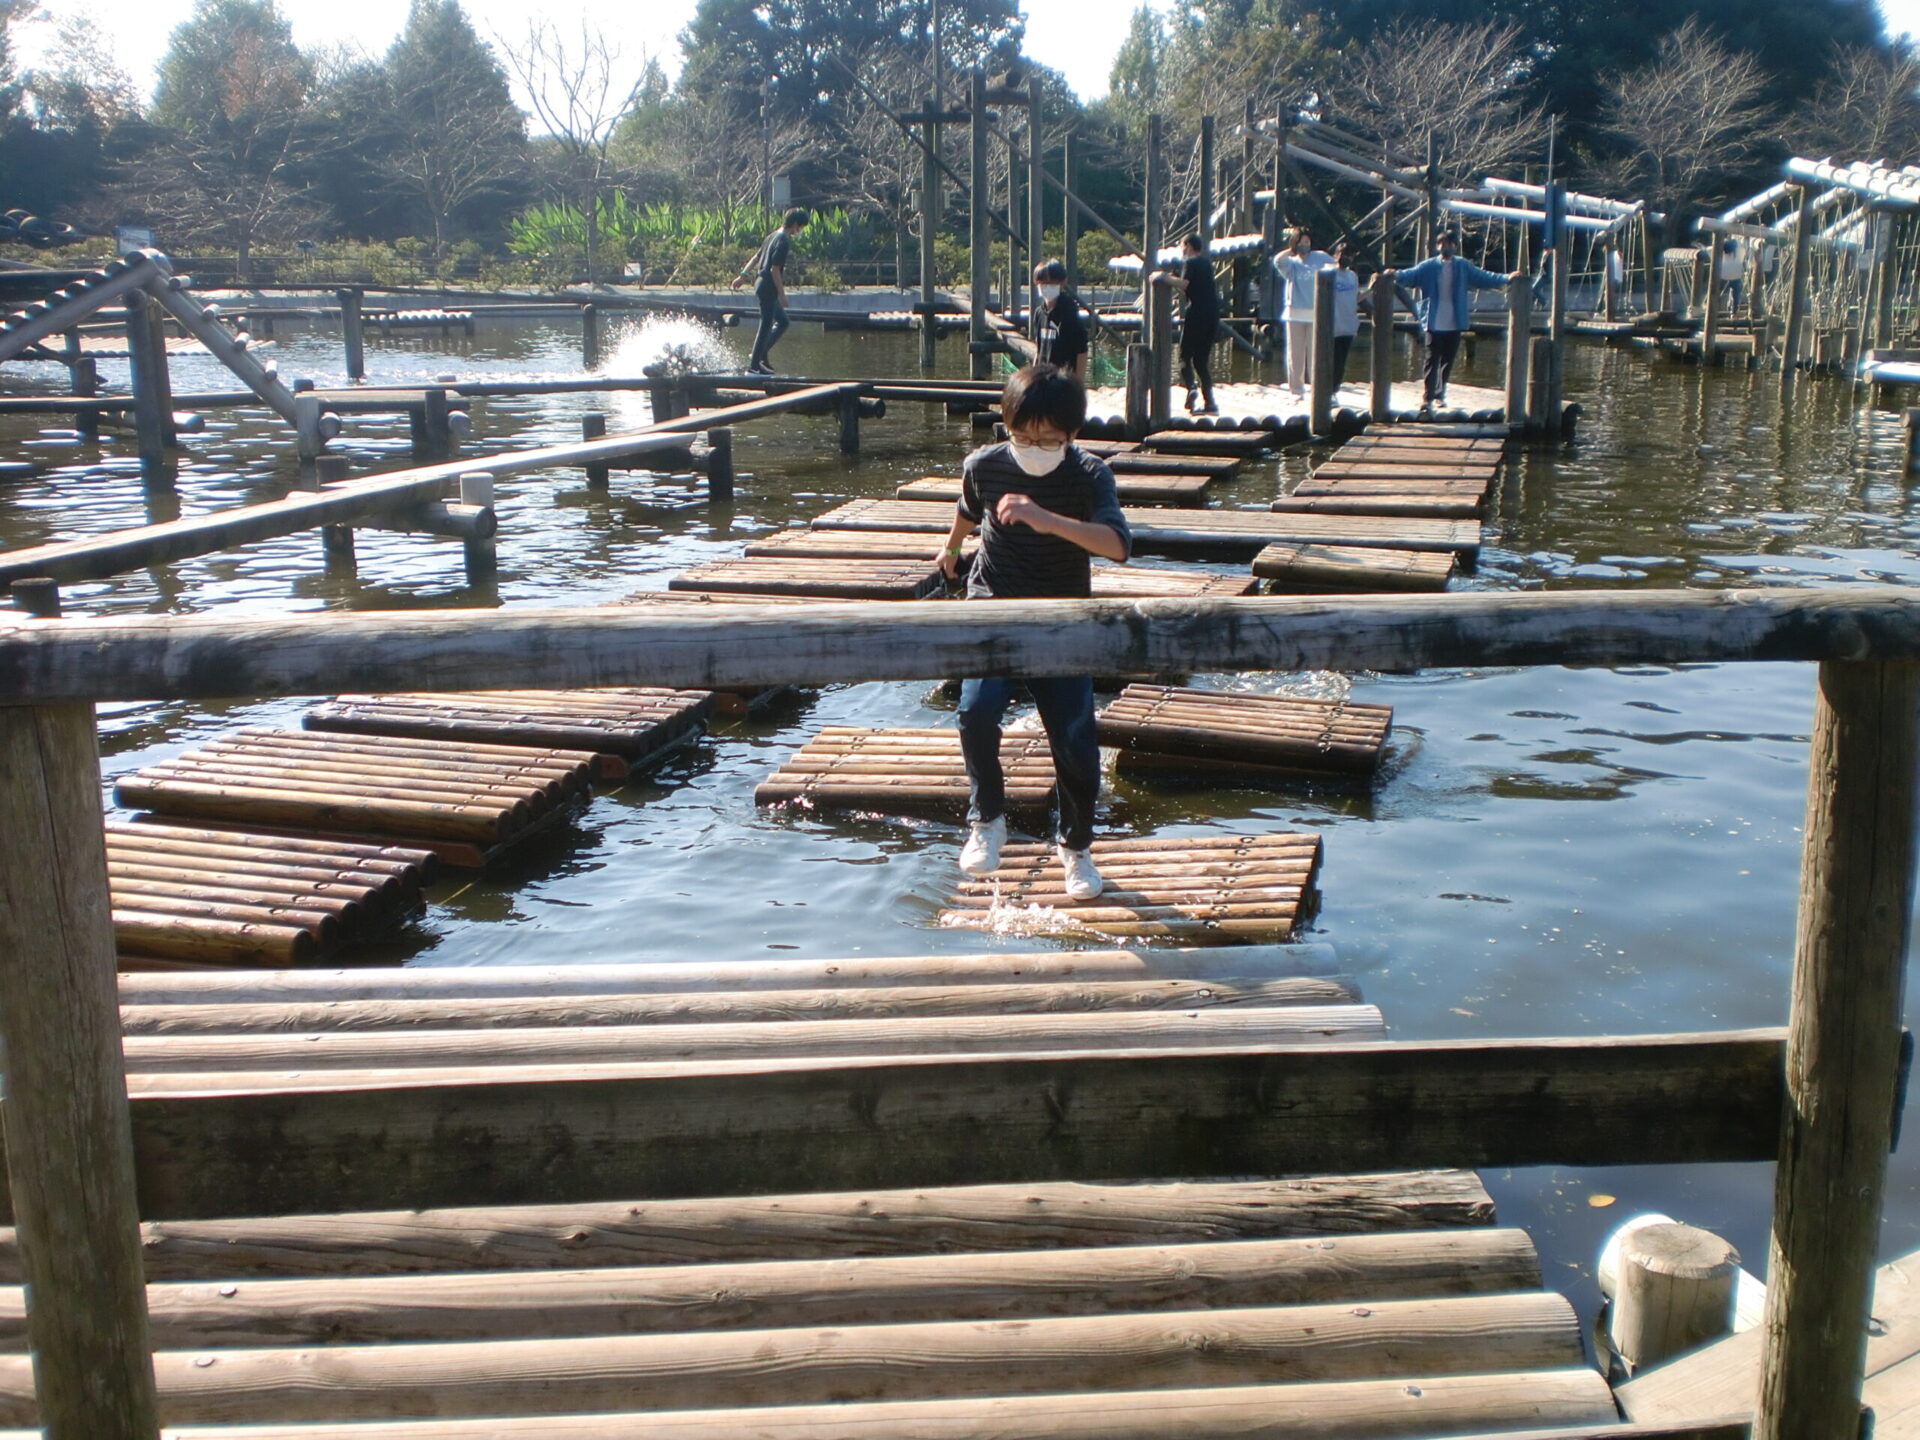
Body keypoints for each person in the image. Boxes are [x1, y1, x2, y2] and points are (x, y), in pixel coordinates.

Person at [935, 364, 1131, 902]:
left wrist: (1046, 519)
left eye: (1048, 441)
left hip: (1062, 616)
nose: (1033, 448)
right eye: (1022, 437)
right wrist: (951, 547)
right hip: (994, 605)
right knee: (976, 711)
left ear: (1072, 434)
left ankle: (1077, 846)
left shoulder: (1089, 474)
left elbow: (1117, 545)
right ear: (1007, 426)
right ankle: (987, 819)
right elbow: (968, 508)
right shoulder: (985, 464)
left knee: (1073, 738)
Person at [1385, 229, 1515, 414]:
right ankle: (1427, 398)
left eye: (1448, 243)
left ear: (1455, 246)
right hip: (1433, 320)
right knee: (1431, 359)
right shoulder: (1429, 266)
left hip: (1455, 320)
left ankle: (1440, 394)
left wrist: (1506, 278)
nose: (1444, 247)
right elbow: (1410, 275)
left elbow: (1483, 277)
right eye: (1441, 243)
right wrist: (1395, 274)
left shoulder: (1462, 265)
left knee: (1447, 360)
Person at [732, 207, 810, 375]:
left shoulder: (772, 236)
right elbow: (774, 270)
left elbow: (756, 257)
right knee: (766, 326)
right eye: (801, 227)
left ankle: (761, 355)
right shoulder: (783, 241)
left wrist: (742, 276)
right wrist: (782, 295)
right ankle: (754, 366)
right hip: (768, 287)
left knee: (783, 321)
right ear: (795, 224)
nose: (800, 231)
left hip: (762, 284)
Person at [1152, 233, 1220, 413]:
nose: (1181, 249)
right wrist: (1171, 276)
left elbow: (1184, 284)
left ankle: (1191, 387)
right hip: (1212, 313)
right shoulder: (1205, 263)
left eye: (1182, 245)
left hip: (1197, 312)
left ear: (1188, 246)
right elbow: (1190, 282)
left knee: (1184, 357)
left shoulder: (1190, 262)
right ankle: (1210, 403)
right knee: (1201, 361)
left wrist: (1162, 277)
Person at [1272, 227, 1332, 396]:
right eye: (1301, 242)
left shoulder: (1320, 257)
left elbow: (1334, 267)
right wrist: (1292, 250)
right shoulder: (1291, 263)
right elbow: (1277, 261)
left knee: (1315, 353)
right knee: (1295, 354)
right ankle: (1296, 389)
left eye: (1307, 242)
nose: (1305, 245)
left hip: (1316, 313)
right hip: (1294, 313)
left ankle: (1317, 387)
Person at [1033, 259, 1088, 378]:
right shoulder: (1039, 313)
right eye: (1043, 283)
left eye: (1052, 283)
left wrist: (1078, 383)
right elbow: (1039, 349)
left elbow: (1081, 351)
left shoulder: (1069, 312)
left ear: (1063, 282)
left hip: (1064, 380)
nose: (1047, 287)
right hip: (1043, 377)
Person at [1327, 240, 1361, 390]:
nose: (1347, 258)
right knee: (1329, 361)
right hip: (1332, 325)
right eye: (1344, 254)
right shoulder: (1329, 274)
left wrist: (1371, 289)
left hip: (1348, 325)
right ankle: (1324, 390)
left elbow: (1356, 298)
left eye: (1350, 256)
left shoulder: (1352, 275)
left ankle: (1334, 389)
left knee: (1341, 362)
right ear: (1336, 255)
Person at [1716, 237, 1744, 314]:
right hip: (1736, 276)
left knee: (1716, 293)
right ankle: (1733, 312)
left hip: (1723, 275)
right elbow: (1743, 247)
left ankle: (1715, 309)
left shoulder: (1721, 250)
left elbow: (1709, 251)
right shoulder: (1740, 250)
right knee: (1735, 295)